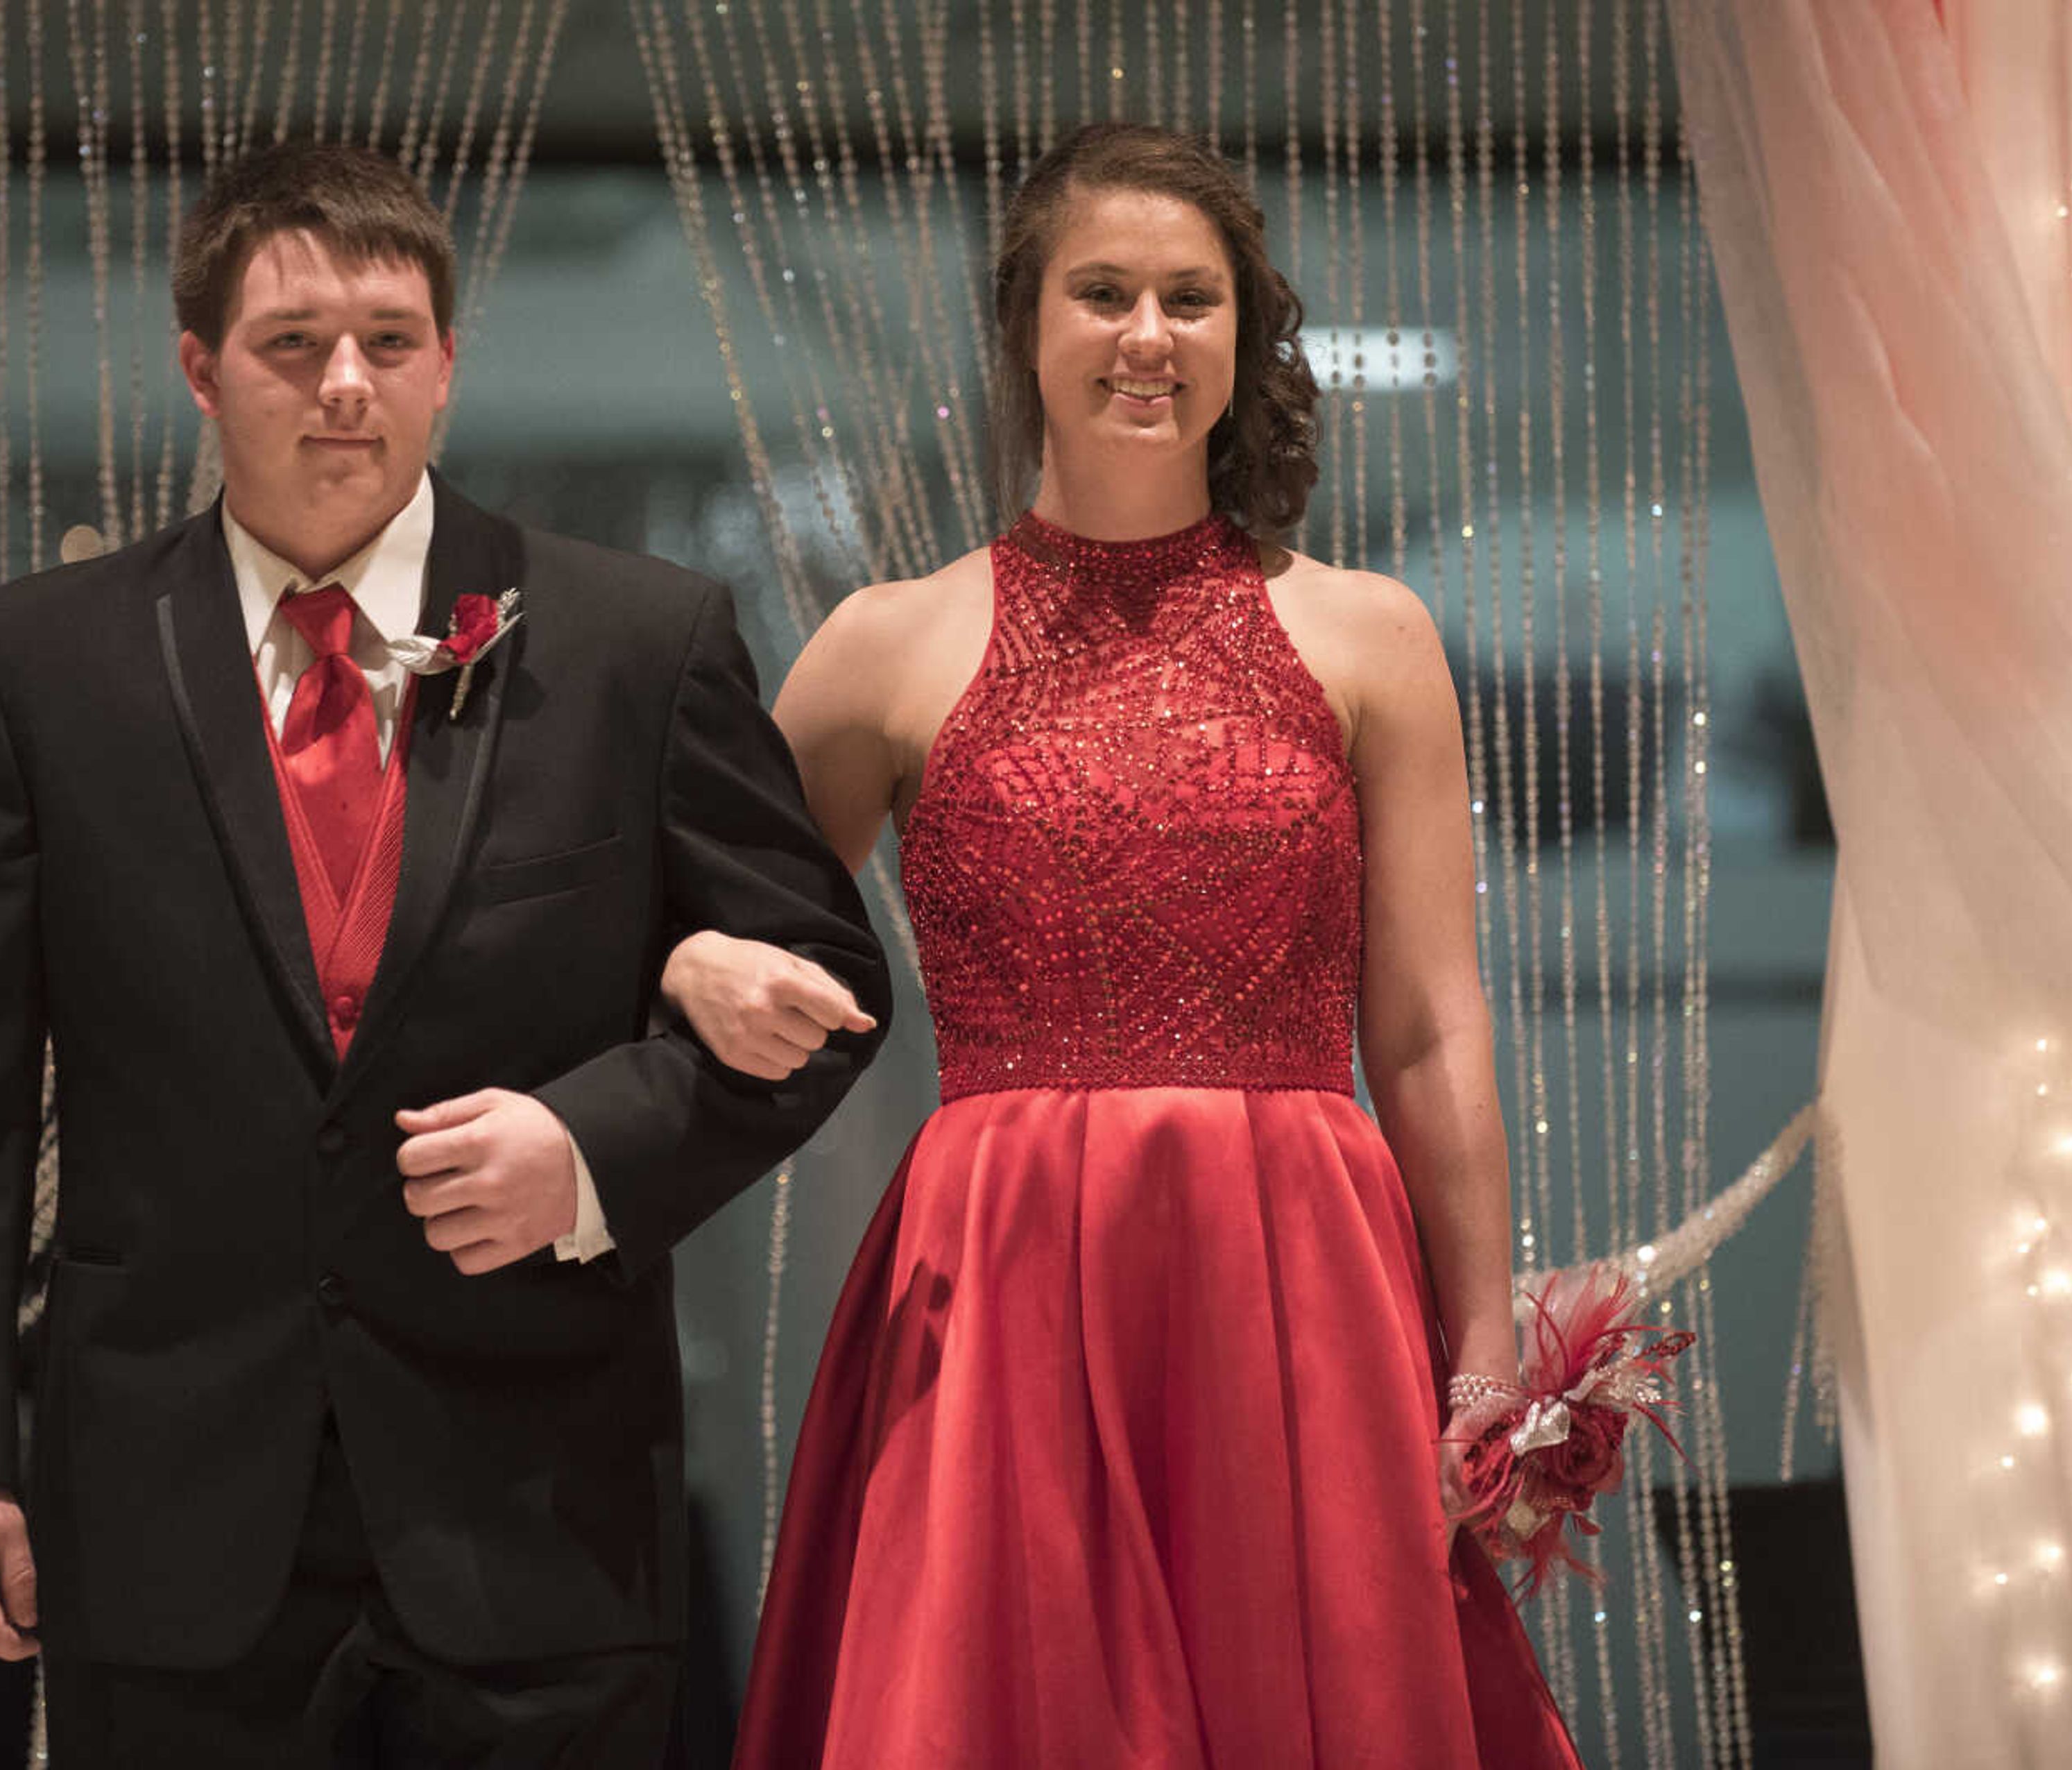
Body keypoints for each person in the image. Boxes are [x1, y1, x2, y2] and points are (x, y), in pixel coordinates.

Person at [0, 139, 891, 1768]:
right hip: (163, 1510)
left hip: (539, 1503)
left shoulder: (637, 640)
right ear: (200, 370)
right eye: (291, 345)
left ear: (449, 365)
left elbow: (831, 998)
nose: (346, 386)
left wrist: (592, 1145)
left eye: (390, 343)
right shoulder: (41, 665)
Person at [665, 124, 1586, 1767]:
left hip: (1300, 1274)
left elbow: (1433, 1033)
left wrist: (1483, 1345)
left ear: (1243, 337)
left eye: (1190, 297)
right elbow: (699, 925)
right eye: (1104, 294)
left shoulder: (1371, 634)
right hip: (1001, 1268)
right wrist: (678, 969)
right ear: (1027, 325)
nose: (1148, 335)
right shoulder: (882, 645)